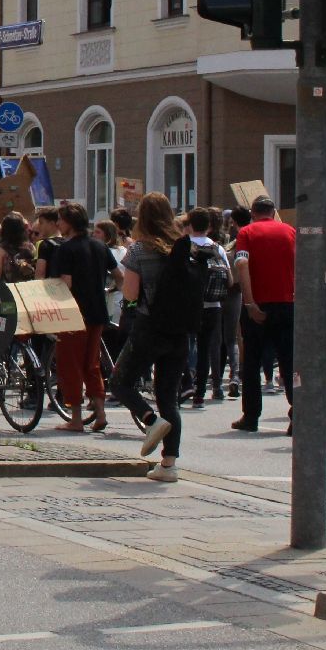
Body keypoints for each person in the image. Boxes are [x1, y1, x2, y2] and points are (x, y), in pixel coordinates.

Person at [109, 194, 197, 483]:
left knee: (120, 382)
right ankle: (169, 465)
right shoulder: (185, 248)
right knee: (168, 396)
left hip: (149, 327)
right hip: (179, 330)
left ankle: (150, 420)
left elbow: (132, 295)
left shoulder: (139, 251)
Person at [40, 200, 112, 433]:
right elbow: (118, 274)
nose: (58, 223)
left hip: (74, 314)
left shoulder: (66, 249)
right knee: (92, 364)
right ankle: (100, 412)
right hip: (98, 311)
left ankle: (77, 418)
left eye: (60, 219)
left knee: (69, 365)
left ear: (69, 222)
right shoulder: (100, 246)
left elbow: (66, 283)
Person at [230, 195, 296, 434]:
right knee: (290, 362)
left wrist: (249, 302)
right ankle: (297, 412)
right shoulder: (290, 231)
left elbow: (242, 265)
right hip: (287, 303)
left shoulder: (246, 233)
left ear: (253, 213)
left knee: (252, 363)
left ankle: (251, 416)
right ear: (274, 211)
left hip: (258, 304)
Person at [184, 207, 230, 409]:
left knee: (183, 346)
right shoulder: (217, 248)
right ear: (209, 226)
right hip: (213, 305)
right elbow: (229, 278)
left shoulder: (185, 246)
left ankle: (185, 384)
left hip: (189, 304)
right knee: (204, 349)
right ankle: (200, 394)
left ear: (190, 225)